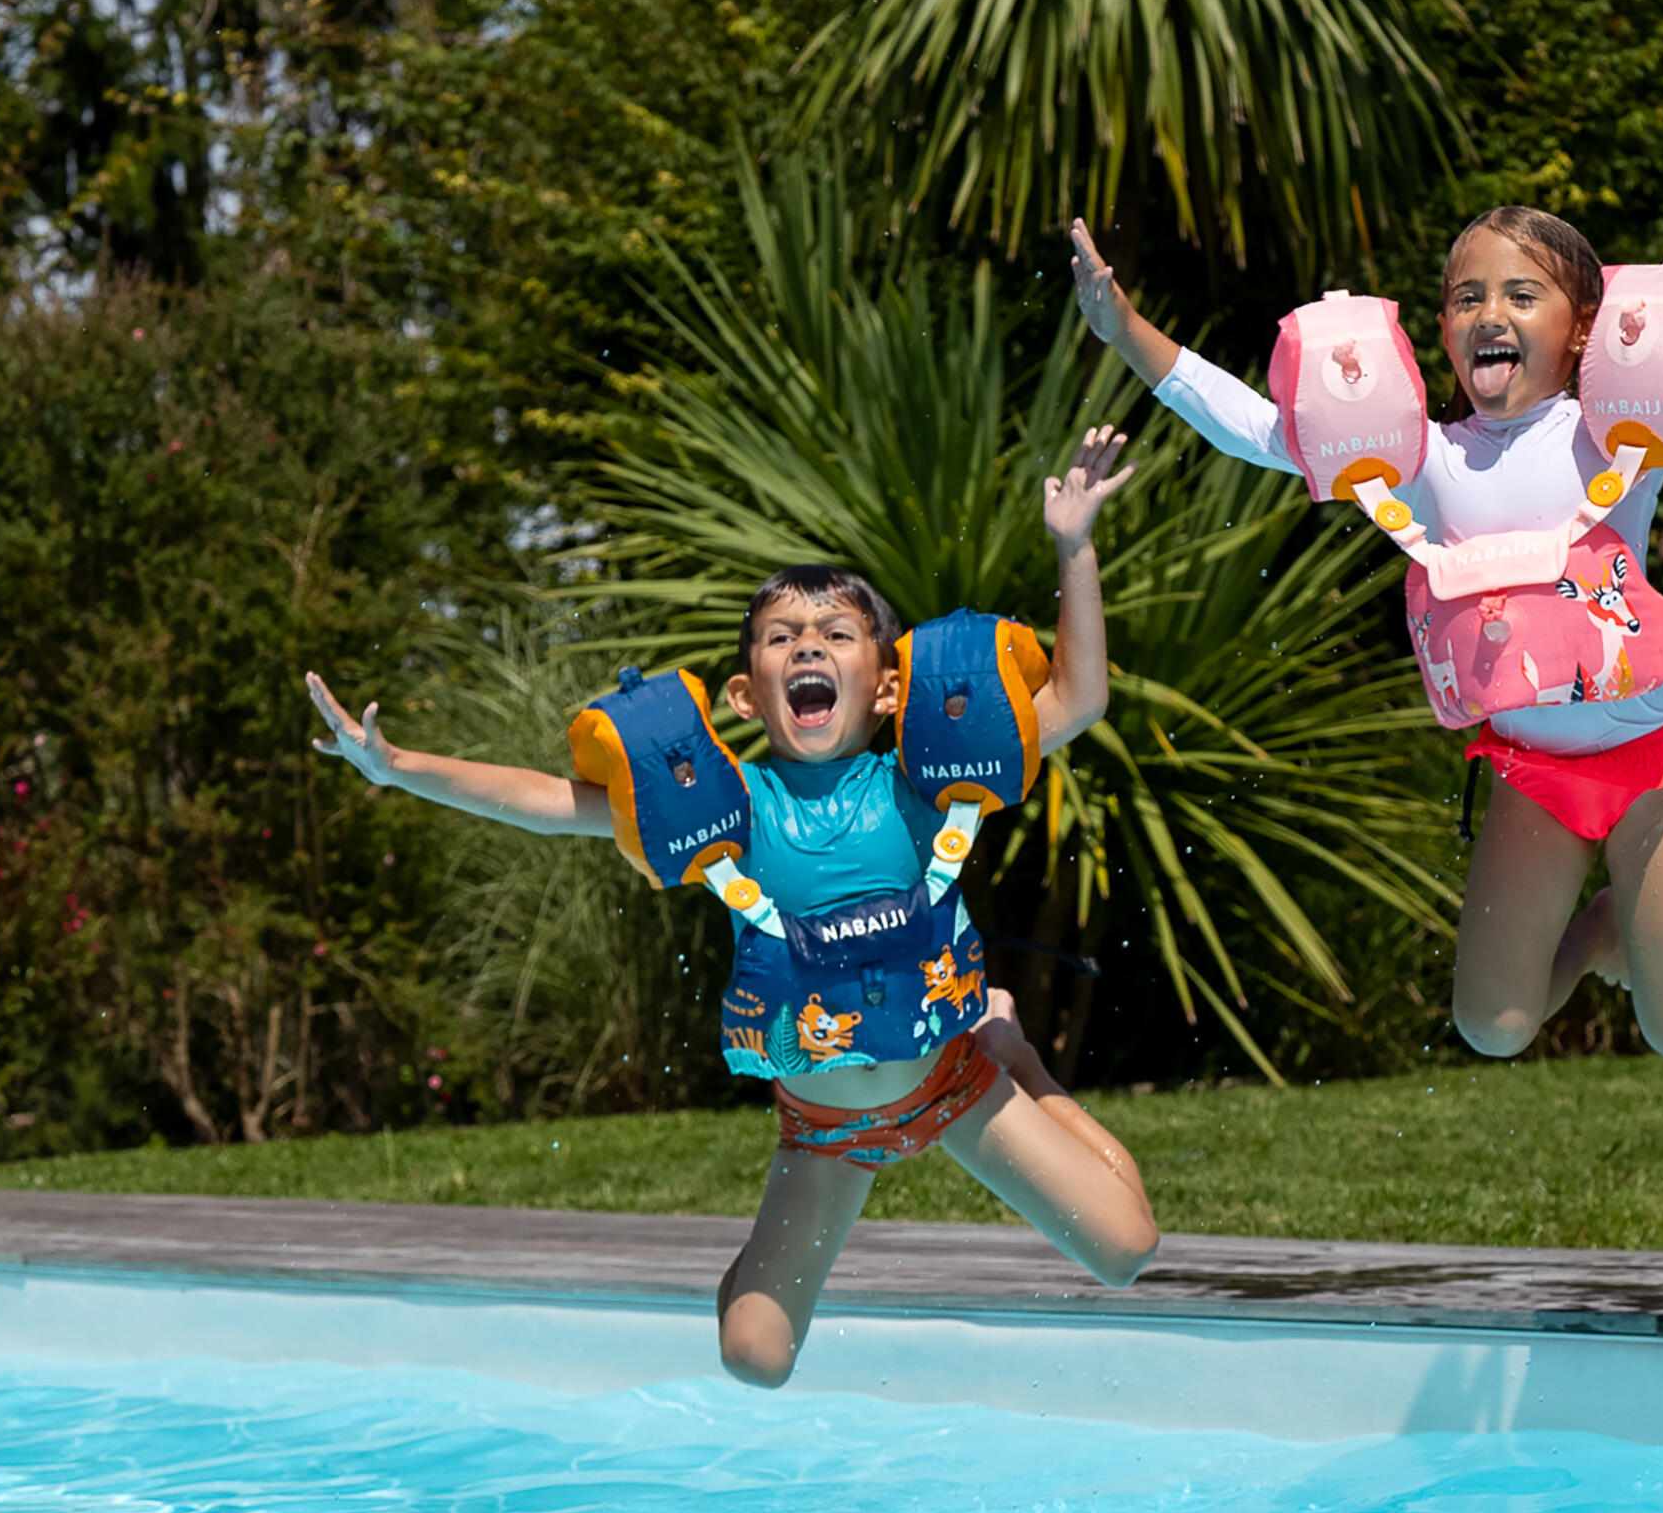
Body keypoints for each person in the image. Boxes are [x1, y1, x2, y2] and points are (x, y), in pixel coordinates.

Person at [304, 430, 1160, 1387]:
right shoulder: (733, 811)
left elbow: (1079, 699)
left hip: (957, 1076)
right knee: (754, 1359)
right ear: (748, 696)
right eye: (782, 640)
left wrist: (1073, 545)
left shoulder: (921, 785)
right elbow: (548, 805)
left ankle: (1020, 1052)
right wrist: (396, 767)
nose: (808, 648)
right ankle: (780, 1259)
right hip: (823, 1122)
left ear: (884, 687)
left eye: (835, 636)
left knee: (1126, 1249)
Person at [1068, 160, 1663, 1069]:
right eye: (1466, 297)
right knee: (1491, 1025)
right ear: (1442, 331)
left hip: (1649, 756)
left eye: (1523, 295)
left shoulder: (1617, 434)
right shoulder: (1424, 463)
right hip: (1535, 773)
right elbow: (1258, 429)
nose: (1490, 314)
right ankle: (1606, 933)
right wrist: (1126, 329)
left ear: (1580, 333)